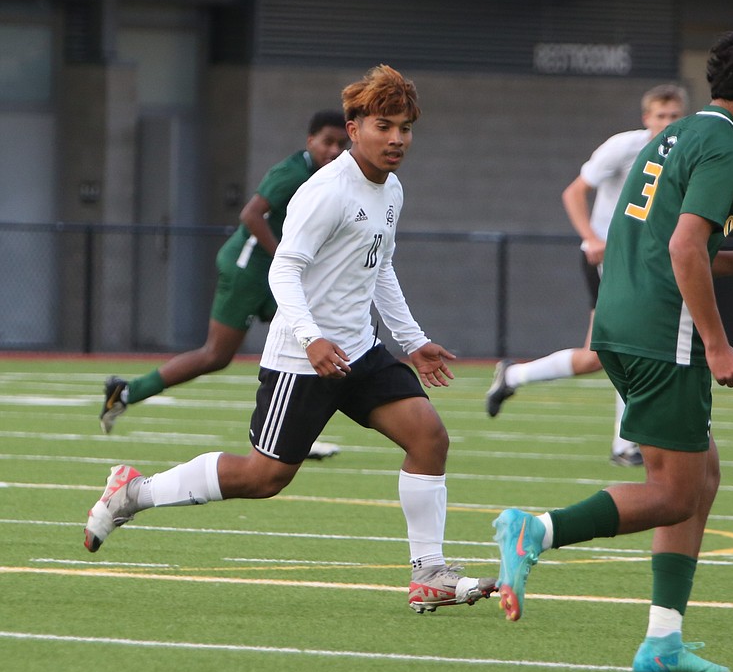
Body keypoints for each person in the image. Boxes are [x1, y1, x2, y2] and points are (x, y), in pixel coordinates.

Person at [84, 65, 497, 613]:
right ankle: (133, 491)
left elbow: (381, 268)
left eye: (404, 127)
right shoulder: (324, 191)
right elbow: (284, 271)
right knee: (264, 477)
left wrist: (413, 340)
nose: (397, 138)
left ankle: (429, 574)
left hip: (359, 350)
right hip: (304, 357)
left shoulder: (392, 188)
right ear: (353, 129)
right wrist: (310, 339)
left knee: (429, 439)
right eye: (384, 125)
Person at [490, 24, 733, 672]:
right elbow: (684, 248)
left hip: (619, 319)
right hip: (667, 334)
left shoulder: (673, 134)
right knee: (673, 494)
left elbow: (664, 240)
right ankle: (536, 531)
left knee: (701, 477)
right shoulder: (730, 151)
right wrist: (718, 346)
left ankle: (663, 641)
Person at [99, 110, 350, 461]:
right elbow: (251, 214)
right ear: (310, 141)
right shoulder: (293, 172)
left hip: (276, 276)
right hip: (250, 271)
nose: (335, 150)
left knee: (311, 345)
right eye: (328, 142)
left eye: (342, 143)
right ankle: (126, 392)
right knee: (216, 355)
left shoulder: (329, 178)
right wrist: (283, 256)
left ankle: (293, 438)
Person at [485, 85, 688, 468]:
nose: (666, 123)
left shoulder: (685, 152)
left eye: (674, 116)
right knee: (629, 345)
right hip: (610, 259)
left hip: (646, 262)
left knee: (599, 355)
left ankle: (514, 376)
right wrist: (592, 238)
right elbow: (574, 192)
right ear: (646, 118)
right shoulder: (623, 147)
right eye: (660, 115)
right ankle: (625, 444)